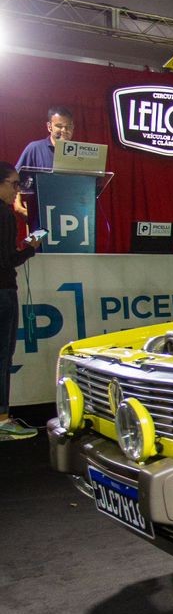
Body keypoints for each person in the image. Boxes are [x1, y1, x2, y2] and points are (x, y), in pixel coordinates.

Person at [0, 160, 43, 439]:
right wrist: (29, 248)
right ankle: (3, 419)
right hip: (2, 291)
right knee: (3, 356)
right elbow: (6, 261)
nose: (17, 190)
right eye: (14, 184)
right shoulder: (4, 215)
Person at [15, 105, 75, 221]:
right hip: (40, 213)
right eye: (59, 126)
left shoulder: (80, 153)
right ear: (49, 127)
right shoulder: (35, 148)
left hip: (72, 215)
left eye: (68, 127)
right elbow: (15, 178)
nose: (64, 130)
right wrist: (18, 207)